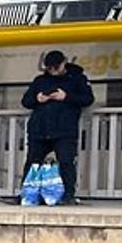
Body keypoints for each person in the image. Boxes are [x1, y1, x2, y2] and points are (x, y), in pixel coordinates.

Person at [21, 49, 95, 205]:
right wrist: (37, 98)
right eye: (50, 68)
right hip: (40, 129)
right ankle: (28, 193)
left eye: (56, 67)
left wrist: (66, 97)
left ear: (64, 63)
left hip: (64, 129)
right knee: (32, 162)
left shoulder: (77, 79)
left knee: (66, 161)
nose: (53, 71)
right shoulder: (40, 81)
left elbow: (88, 99)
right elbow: (26, 101)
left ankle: (68, 195)